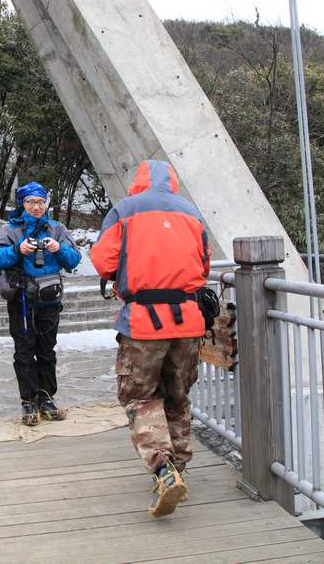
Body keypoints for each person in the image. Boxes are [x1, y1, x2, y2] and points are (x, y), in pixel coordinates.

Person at [90, 160, 211, 517]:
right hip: (188, 322)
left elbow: (102, 262)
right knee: (177, 396)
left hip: (144, 323)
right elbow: (204, 266)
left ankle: (163, 469)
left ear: (138, 182)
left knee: (140, 397)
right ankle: (179, 467)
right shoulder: (191, 213)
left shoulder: (124, 211)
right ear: (171, 181)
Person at [0, 181, 81, 426]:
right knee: (24, 352)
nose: (36, 207)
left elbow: (74, 260)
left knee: (47, 351)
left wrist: (59, 248)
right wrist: (18, 250)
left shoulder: (57, 228)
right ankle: (28, 401)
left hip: (49, 299)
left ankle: (47, 398)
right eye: (31, 202)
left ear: (46, 204)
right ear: (23, 204)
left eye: (41, 202)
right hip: (21, 299)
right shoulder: (11, 230)